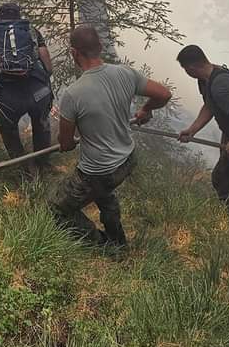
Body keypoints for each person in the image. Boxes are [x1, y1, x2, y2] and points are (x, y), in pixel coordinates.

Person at [49, 24, 171, 248]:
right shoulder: (125, 73)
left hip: (99, 171)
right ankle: (118, 240)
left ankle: (103, 244)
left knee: (56, 209)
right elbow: (164, 94)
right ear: (100, 47)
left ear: (74, 53)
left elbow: (65, 144)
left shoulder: (73, 94)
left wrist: (71, 140)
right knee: (103, 190)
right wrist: (147, 109)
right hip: (127, 161)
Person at [176, 44, 229, 210]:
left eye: (185, 68)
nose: (186, 72)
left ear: (192, 67)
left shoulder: (220, 84)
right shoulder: (207, 79)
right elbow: (210, 106)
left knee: (221, 175)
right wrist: (192, 130)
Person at [0, 1, 54, 172]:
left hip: (8, 95)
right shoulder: (32, 32)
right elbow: (48, 66)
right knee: (41, 123)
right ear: (19, 16)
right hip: (37, 91)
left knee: (7, 129)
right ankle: (43, 164)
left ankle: (22, 168)